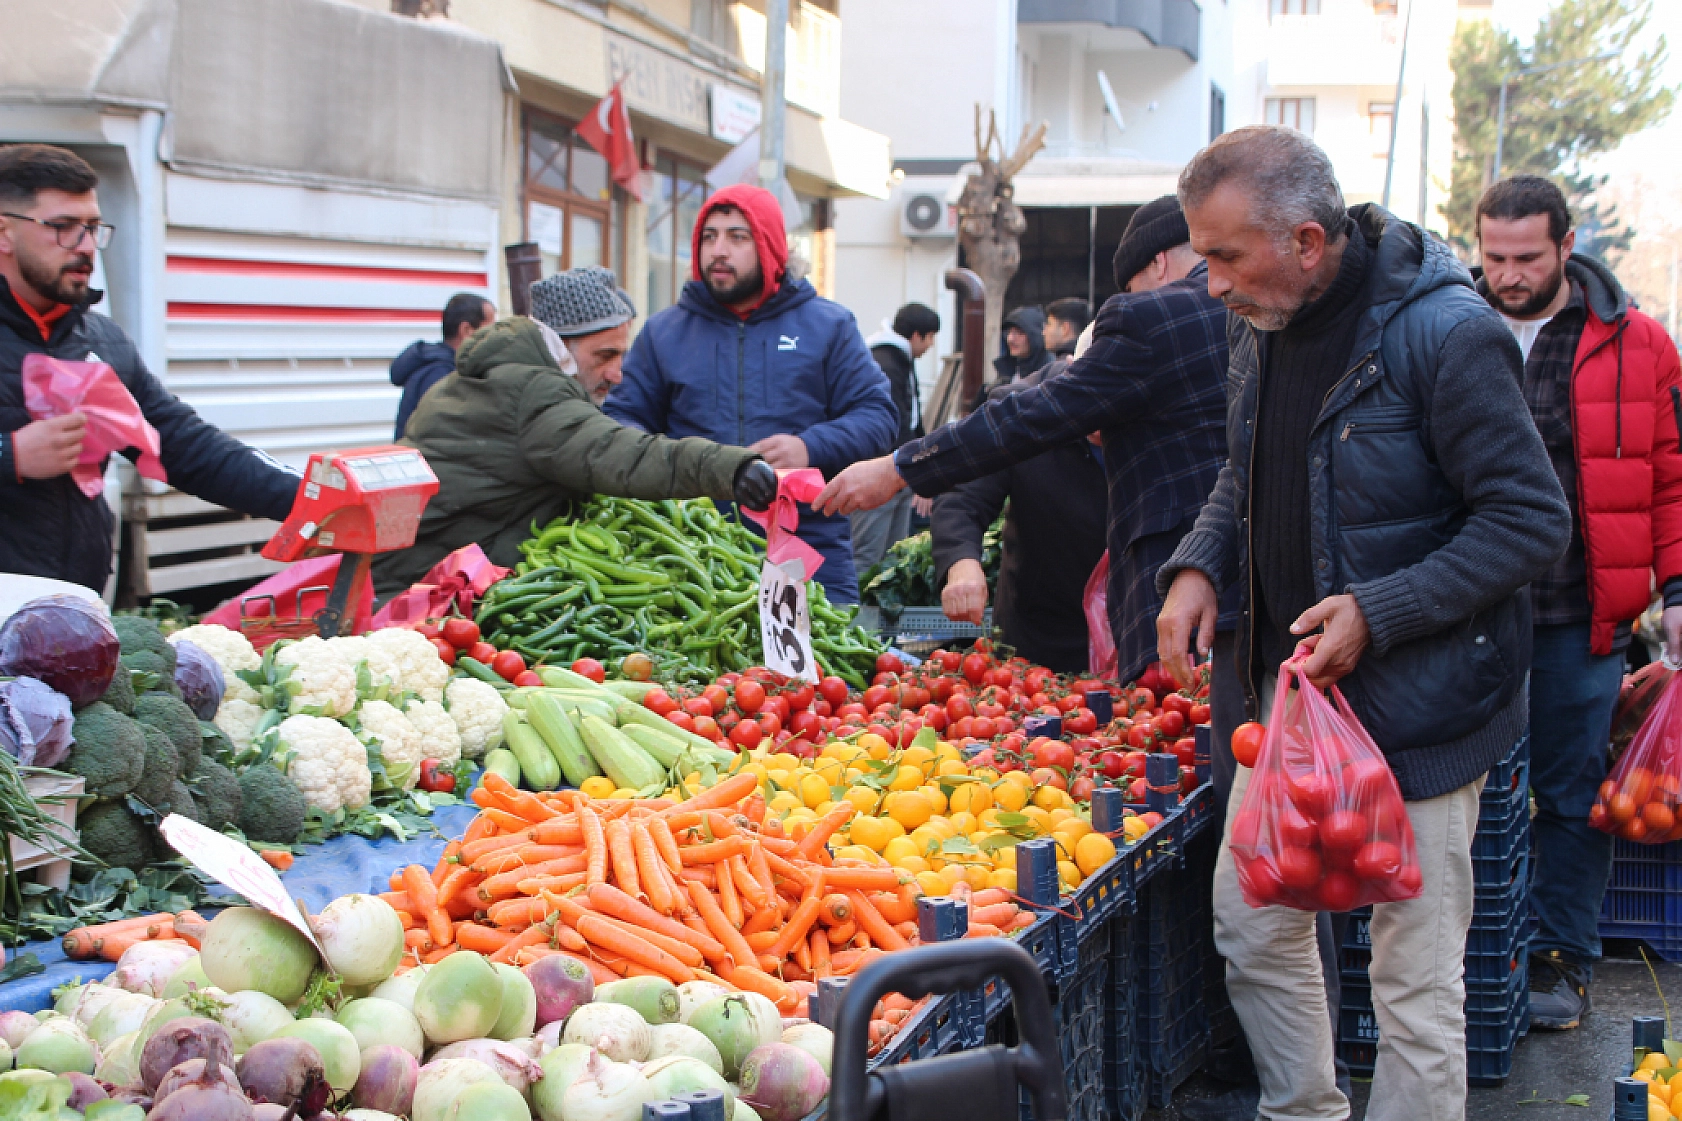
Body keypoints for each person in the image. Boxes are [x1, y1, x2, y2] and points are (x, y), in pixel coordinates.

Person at [1155, 126, 1570, 1121]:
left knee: (1414, 982)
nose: (1207, 283)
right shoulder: (1257, 317)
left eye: (1222, 256)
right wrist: (1198, 564)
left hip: (1418, 712)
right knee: (1250, 927)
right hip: (1285, 698)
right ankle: (1304, 1109)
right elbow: (1243, 470)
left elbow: (1529, 521)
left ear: (1305, 240)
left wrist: (1375, 612)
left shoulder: (1444, 333)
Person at [814, 195, 1232, 688]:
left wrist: (897, 469)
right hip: (1068, 630)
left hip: (1183, 618)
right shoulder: (1245, 314)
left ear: (1157, 262)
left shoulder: (1162, 319)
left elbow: (1030, 418)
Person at [1475, 175, 1682, 1031]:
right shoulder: (1454, 329)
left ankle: (1562, 958)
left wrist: (1677, 592)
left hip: (1581, 613)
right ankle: (1481, 954)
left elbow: (1669, 478)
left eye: (1527, 257)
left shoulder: (1638, 345)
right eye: (1494, 257)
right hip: (1472, 613)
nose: (1510, 274)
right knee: (1474, 794)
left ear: (1567, 247)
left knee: (1569, 793)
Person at [0, 144, 298, 592]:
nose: (85, 248)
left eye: (93, 227)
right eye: (62, 228)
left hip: (72, 610)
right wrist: (11, 455)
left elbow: (184, 446)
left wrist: (313, 498)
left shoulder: (102, 341)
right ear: (3, 232)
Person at [371, 267, 777, 595]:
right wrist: (731, 469)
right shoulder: (535, 389)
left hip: (410, 575)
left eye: (622, 356)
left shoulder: (483, 378)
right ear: (560, 347)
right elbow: (622, 455)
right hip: (415, 591)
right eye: (604, 356)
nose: (616, 374)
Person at [604, 184, 896, 603]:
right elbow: (620, 425)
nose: (718, 250)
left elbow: (878, 417)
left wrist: (808, 446)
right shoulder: (664, 333)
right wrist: (679, 464)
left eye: (737, 237)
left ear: (770, 246)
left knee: (825, 667)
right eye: (709, 236)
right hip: (689, 557)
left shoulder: (828, 326)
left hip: (809, 551)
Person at [930, 345, 1107, 673]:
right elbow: (963, 495)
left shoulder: (1164, 414)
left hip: (1143, 630)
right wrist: (962, 562)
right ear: (1073, 368)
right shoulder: (1018, 410)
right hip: (1038, 633)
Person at [849, 302, 939, 573]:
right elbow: (894, 423)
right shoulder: (886, 362)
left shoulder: (899, 359)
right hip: (880, 471)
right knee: (868, 556)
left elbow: (913, 420)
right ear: (917, 335)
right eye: (931, 337)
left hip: (900, 471)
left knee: (893, 557)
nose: (931, 346)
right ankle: (854, 615)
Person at [390, 293, 495, 440]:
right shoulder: (440, 375)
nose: (494, 336)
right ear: (466, 330)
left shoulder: (437, 366)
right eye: (490, 328)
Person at [992, 305, 1052, 387]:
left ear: (1036, 336)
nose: (1010, 339)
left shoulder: (1051, 373)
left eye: (1020, 333)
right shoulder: (1007, 371)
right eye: (1009, 332)